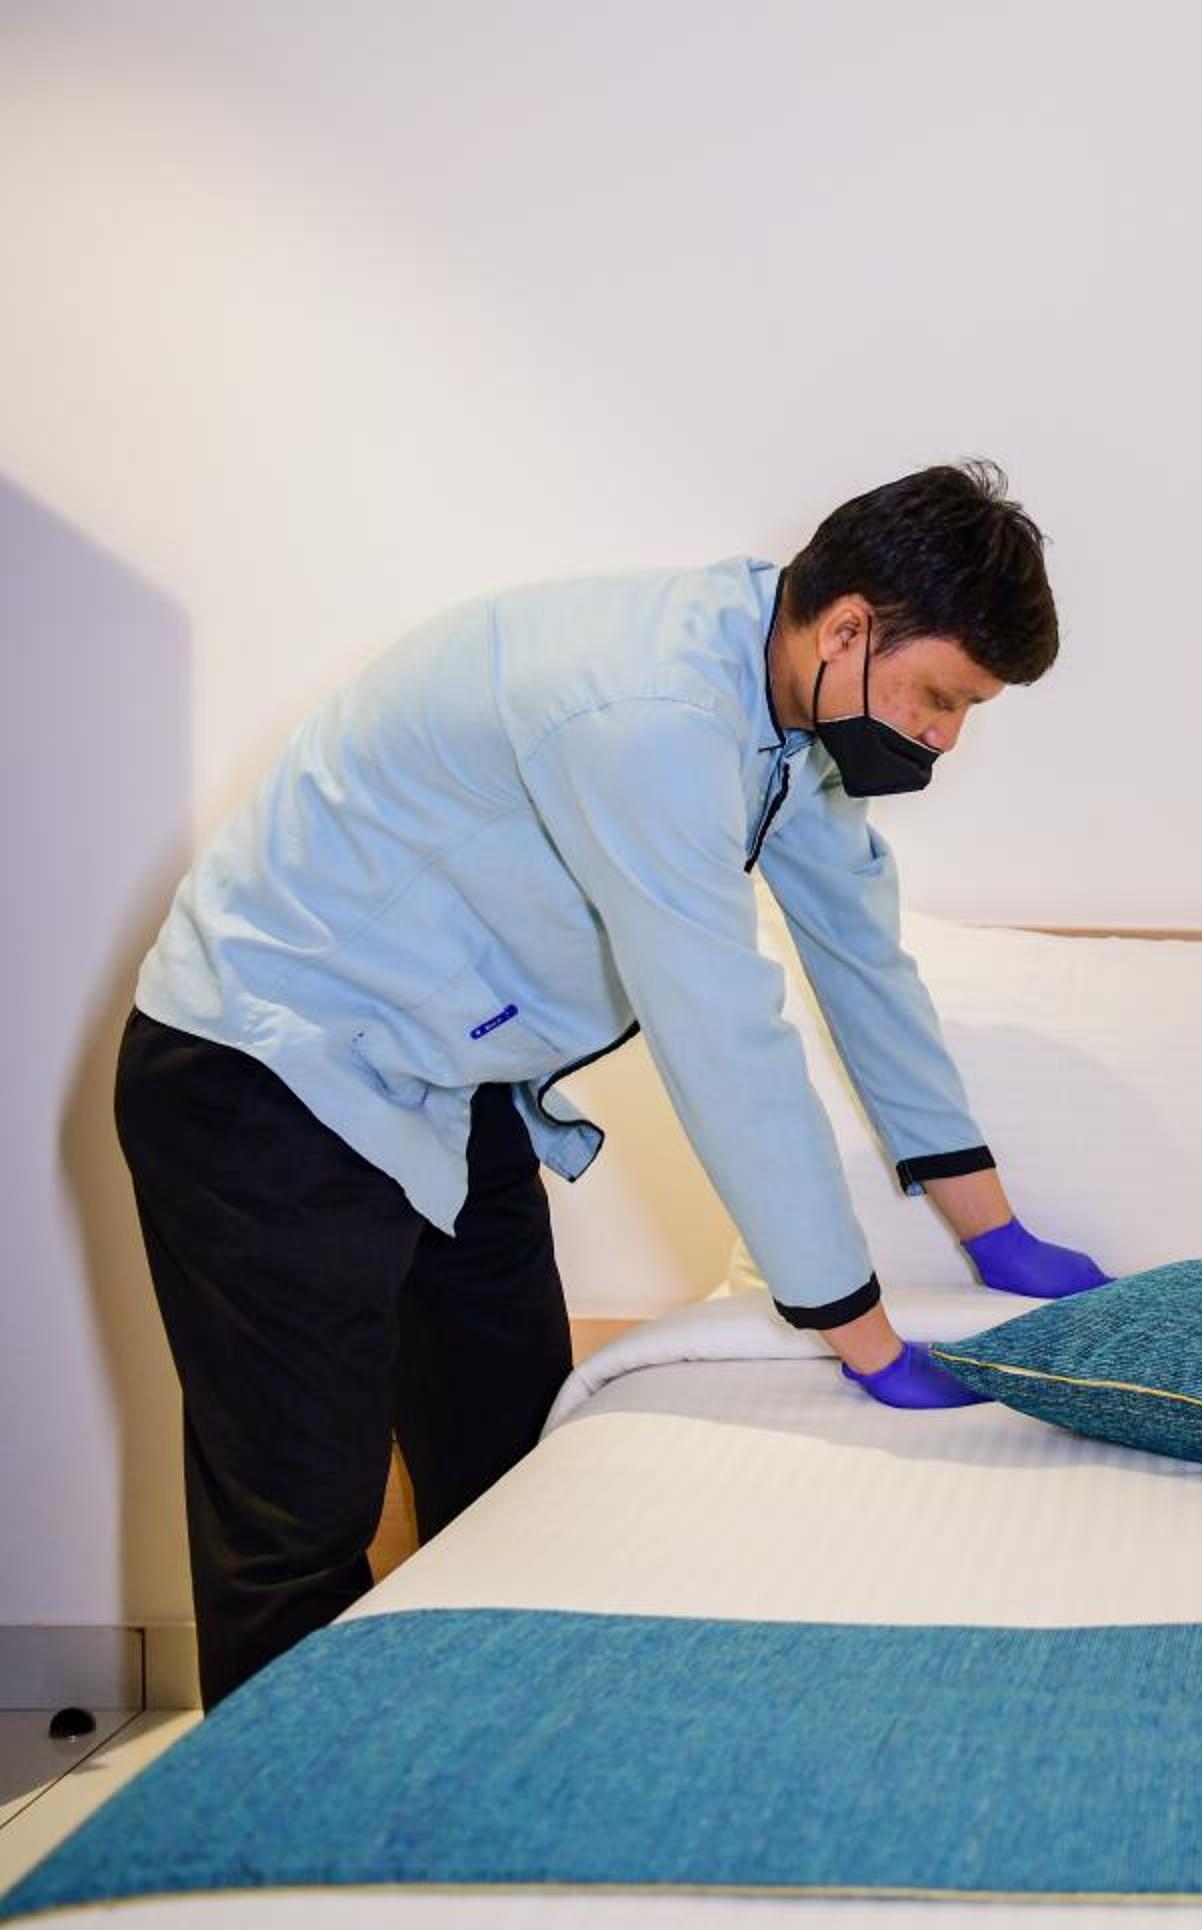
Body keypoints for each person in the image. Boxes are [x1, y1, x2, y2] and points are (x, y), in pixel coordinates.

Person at [111, 461, 1109, 1707]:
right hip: (268, 1070)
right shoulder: (647, 715)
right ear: (851, 629)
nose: (946, 737)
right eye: (943, 697)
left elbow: (863, 959)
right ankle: (273, 1819)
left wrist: (993, 1229)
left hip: (443, 1084)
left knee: (513, 1466)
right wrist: (859, 1335)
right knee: (300, 1513)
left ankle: (491, 1760)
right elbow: (725, 1035)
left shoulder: (780, 707)